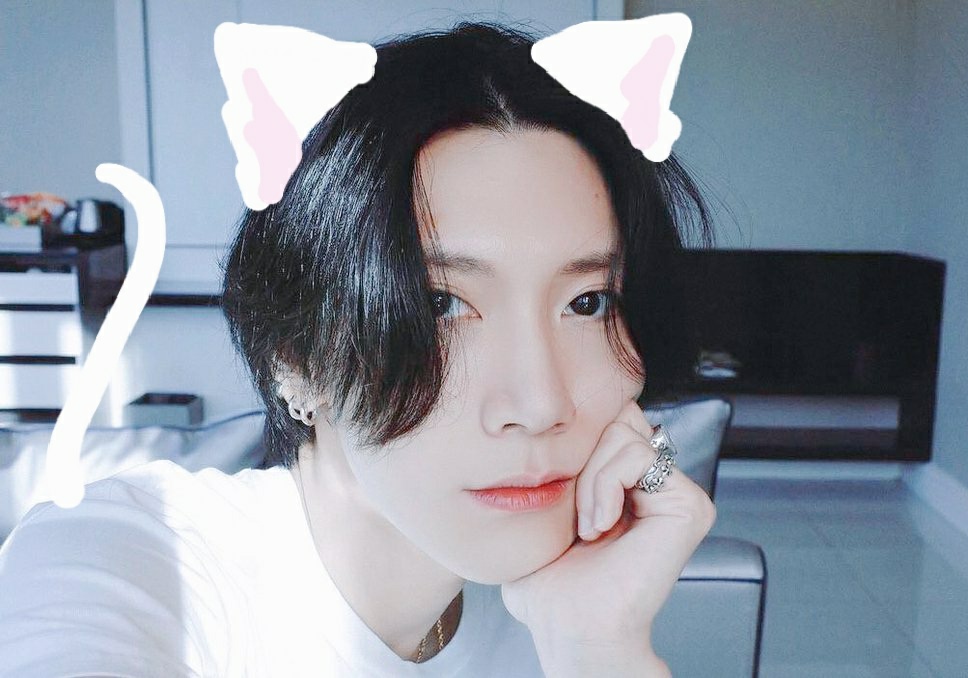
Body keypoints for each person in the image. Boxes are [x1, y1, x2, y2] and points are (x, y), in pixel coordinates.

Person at [0, 21, 716, 677]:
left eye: (587, 302)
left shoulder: (571, 603)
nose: (539, 404)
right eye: (440, 305)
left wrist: (599, 649)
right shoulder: (130, 559)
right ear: (294, 356)